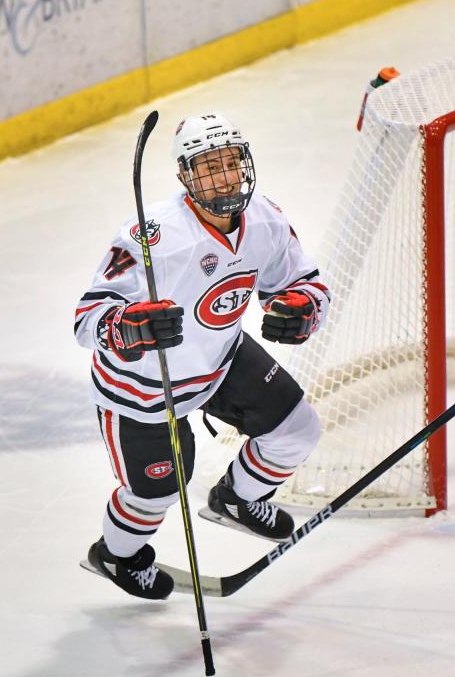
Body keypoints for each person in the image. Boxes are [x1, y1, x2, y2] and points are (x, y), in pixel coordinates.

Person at [74, 112, 330, 600]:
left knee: (297, 431)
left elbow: (303, 284)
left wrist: (301, 310)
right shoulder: (153, 238)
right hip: (144, 388)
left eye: (229, 163)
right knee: (160, 492)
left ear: (244, 164)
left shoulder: (266, 220)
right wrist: (128, 328)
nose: (222, 177)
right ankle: (117, 555)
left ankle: (237, 497)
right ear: (184, 177)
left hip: (221, 359)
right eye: (207, 167)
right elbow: (87, 319)